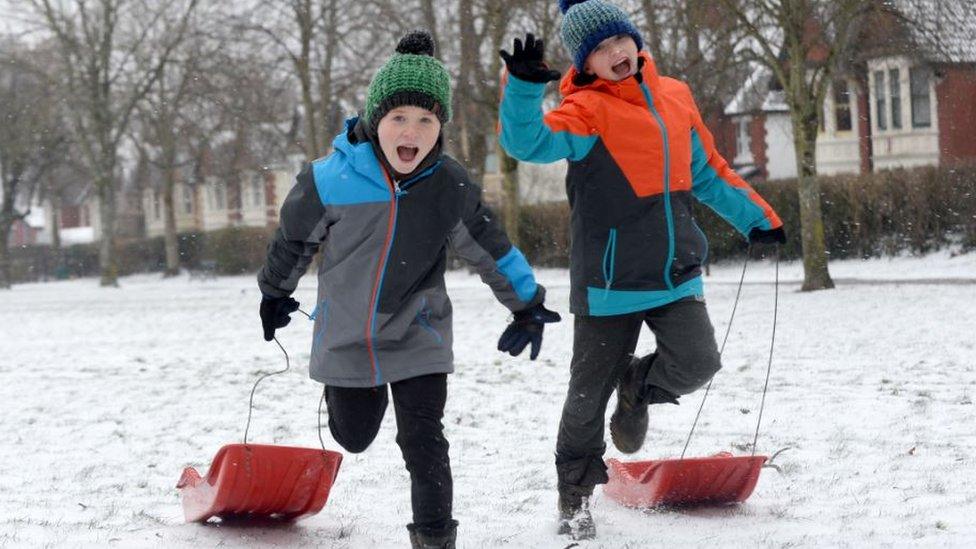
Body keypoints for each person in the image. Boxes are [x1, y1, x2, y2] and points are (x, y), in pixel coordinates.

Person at [258, 30, 560, 549]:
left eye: (426, 120)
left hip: (419, 332)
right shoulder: (329, 179)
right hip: (347, 337)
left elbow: (491, 247)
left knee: (423, 440)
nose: (412, 131)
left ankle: (435, 537)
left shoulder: (449, 185)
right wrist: (274, 292)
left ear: (440, 127)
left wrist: (526, 304)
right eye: (399, 117)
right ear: (376, 121)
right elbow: (294, 241)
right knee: (353, 438)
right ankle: (349, 405)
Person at [497, 0, 785, 539]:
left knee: (699, 362)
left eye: (619, 40)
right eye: (600, 49)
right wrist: (521, 88)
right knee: (585, 399)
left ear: (635, 39)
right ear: (586, 63)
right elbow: (526, 142)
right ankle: (575, 498)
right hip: (609, 282)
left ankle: (639, 386)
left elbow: (708, 171)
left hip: (676, 272)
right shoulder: (584, 111)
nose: (615, 53)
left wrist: (758, 219)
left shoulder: (675, 97)